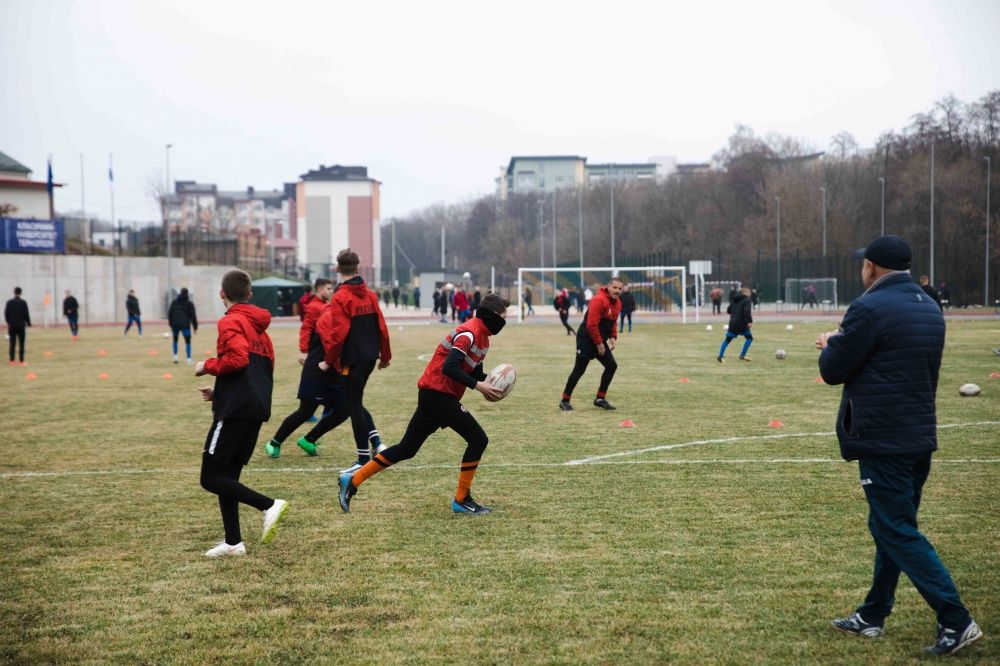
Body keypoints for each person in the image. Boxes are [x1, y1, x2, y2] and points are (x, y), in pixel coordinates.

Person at [818, 236, 982, 656]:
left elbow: (834, 370)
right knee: (889, 526)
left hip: (883, 438)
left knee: (896, 529)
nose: (862, 270)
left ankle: (955, 618)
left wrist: (833, 342)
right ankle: (873, 614)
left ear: (871, 267)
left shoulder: (868, 308)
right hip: (918, 436)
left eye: (863, 264)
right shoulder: (929, 305)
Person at [338, 293, 510, 515]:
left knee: (406, 449)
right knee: (478, 439)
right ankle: (461, 499)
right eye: (504, 316)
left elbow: (473, 372)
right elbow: (450, 367)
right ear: (494, 315)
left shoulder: (483, 338)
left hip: (435, 395)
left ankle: (353, 479)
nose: (505, 321)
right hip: (438, 395)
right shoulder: (468, 333)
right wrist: (479, 386)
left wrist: (489, 382)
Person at [193, 269, 289, 558]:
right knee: (227, 477)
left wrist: (206, 365)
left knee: (210, 478)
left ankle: (269, 505)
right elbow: (257, 373)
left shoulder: (230, 321)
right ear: (249, 294)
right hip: (253, 408)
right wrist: (221, 390)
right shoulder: (262, 331)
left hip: (235, 411)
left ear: (222, 294)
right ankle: (233, 542)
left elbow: (237, 359)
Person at [265, 277, 382, 469]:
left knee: (346, 408)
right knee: (307, 410)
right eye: (327, 288)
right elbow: (323, 338)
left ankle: (309, 439)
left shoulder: (336, 308)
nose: (330, 291)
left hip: (334, 368)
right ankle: (275, 442)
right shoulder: (321, 310)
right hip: (319, 368)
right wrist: (306, 351)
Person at [316, 248, 391, 478]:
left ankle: (362, 459)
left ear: (337, 269)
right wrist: (385, 356)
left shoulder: (341, 297)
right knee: (355, 403)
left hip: (353, 360)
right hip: (368, 358)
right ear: (357, 268)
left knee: (353, 406)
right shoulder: (369, 294)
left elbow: (338, 334)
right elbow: (382, 328)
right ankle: (371, 448)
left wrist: (328, 361)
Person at [559, 277, 623, 411]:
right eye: (615, 287)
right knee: (579, 369)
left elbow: (613, 321)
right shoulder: (598, 300)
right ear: (608, 287)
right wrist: (599, 344)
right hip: (586, 339)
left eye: (620, 288)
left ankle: (600, 398)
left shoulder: (618, 303)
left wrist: (613, 336)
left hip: (599, 339)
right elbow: (591, 325)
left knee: (611, 366)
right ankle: (565, 400)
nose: (617, 290)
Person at [717, 287, 753, 362]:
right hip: (742, 323)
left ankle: (720, 356)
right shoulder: (747, 300)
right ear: (746, 293)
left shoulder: (735, 300)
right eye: (749, 293)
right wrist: (749, 321)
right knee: (749, 338)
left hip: (733, 322)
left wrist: (735, 314)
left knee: (728, 339)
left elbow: (728, 310)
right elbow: (747, 311)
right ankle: (742, 355)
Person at [168, 287, 198, 364]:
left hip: (175, 324)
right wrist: (195, 327)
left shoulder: (174, 302)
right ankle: (188, 360)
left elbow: (170, 313)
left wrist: (171, 323)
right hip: (185, 325)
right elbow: (193, 316)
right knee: (187, 341)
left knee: (175, 340)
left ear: (180, 293)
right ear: (187, 294)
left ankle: (175, 358)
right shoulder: (190, 304)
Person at [5, 286, 30, 366]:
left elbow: (6, 314)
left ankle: (12, 360)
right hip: (20, 325)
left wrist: (9, 322)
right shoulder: (23, 302)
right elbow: (26, 314)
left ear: (14, 292)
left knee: (12, 343)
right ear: (20, 293)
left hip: (12, 325)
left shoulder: (9, 302)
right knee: (21, 343)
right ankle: (21, 361)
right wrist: (28, 323)